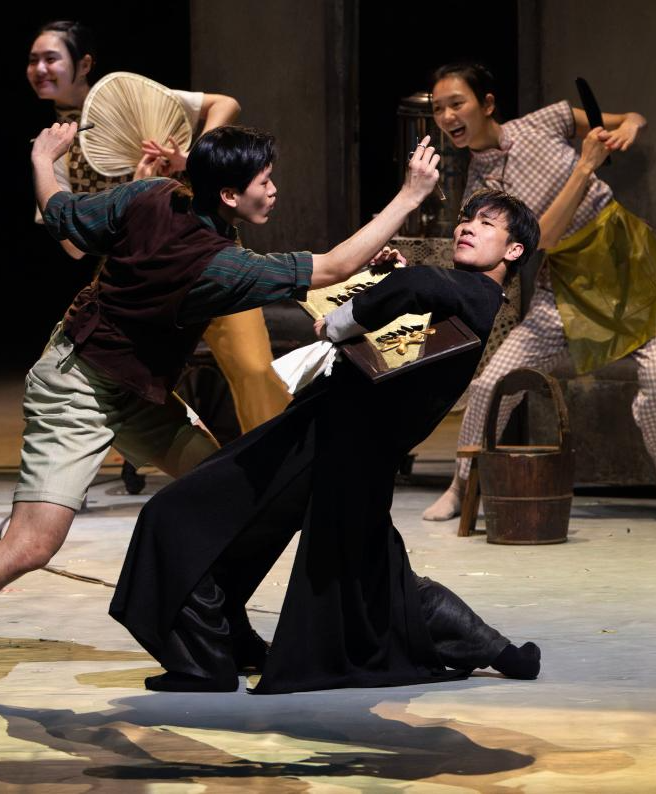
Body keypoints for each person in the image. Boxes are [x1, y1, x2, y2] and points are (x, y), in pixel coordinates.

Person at [0, 125, 446, 703]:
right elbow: (330, 267)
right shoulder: (212, 261)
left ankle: (222, 631)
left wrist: (44, 158)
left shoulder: (156, 195)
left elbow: (62, 212)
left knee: (230, 499)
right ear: (227, 195)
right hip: (79, 388)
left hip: (140, 394)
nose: (273, 191)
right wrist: (410, 195)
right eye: (263, 182)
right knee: (32, 545)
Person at [110, 188, 542, 694]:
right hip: (335, 440)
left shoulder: (478, 294)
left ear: (513, 252)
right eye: (466, 218)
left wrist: (343, 321)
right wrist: (381, 282)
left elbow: (420, 283)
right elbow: (410, 307)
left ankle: (209, 656)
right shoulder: (461, 296)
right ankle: (501, 652)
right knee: (369, 577)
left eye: (487, 224)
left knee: (182, 517)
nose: (467, 227)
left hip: (331, 442)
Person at [422, 63, 656, 523]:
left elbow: (631, 117)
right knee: (491, 382)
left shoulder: (543, 122)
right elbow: (542, 238)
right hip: (564, 283)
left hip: (628, 269)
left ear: (486, 105)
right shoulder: (484, 189)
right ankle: (461, 484)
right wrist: (585, 164)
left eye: (456, 103)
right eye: (438, 109)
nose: (447, 117)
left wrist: (627, 125)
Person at [27, 19, 290, 433]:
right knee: (115, 374)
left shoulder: (128, 96)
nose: (40, 69)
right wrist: (135, 194)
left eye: (51, 58)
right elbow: (73, 247)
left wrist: (196, 161)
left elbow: (225, 104)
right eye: (33, 60)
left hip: (206, 254)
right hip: (140, 281)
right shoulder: (56, 145)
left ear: (84, 64)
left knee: (255, 369)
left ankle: (281, 472)